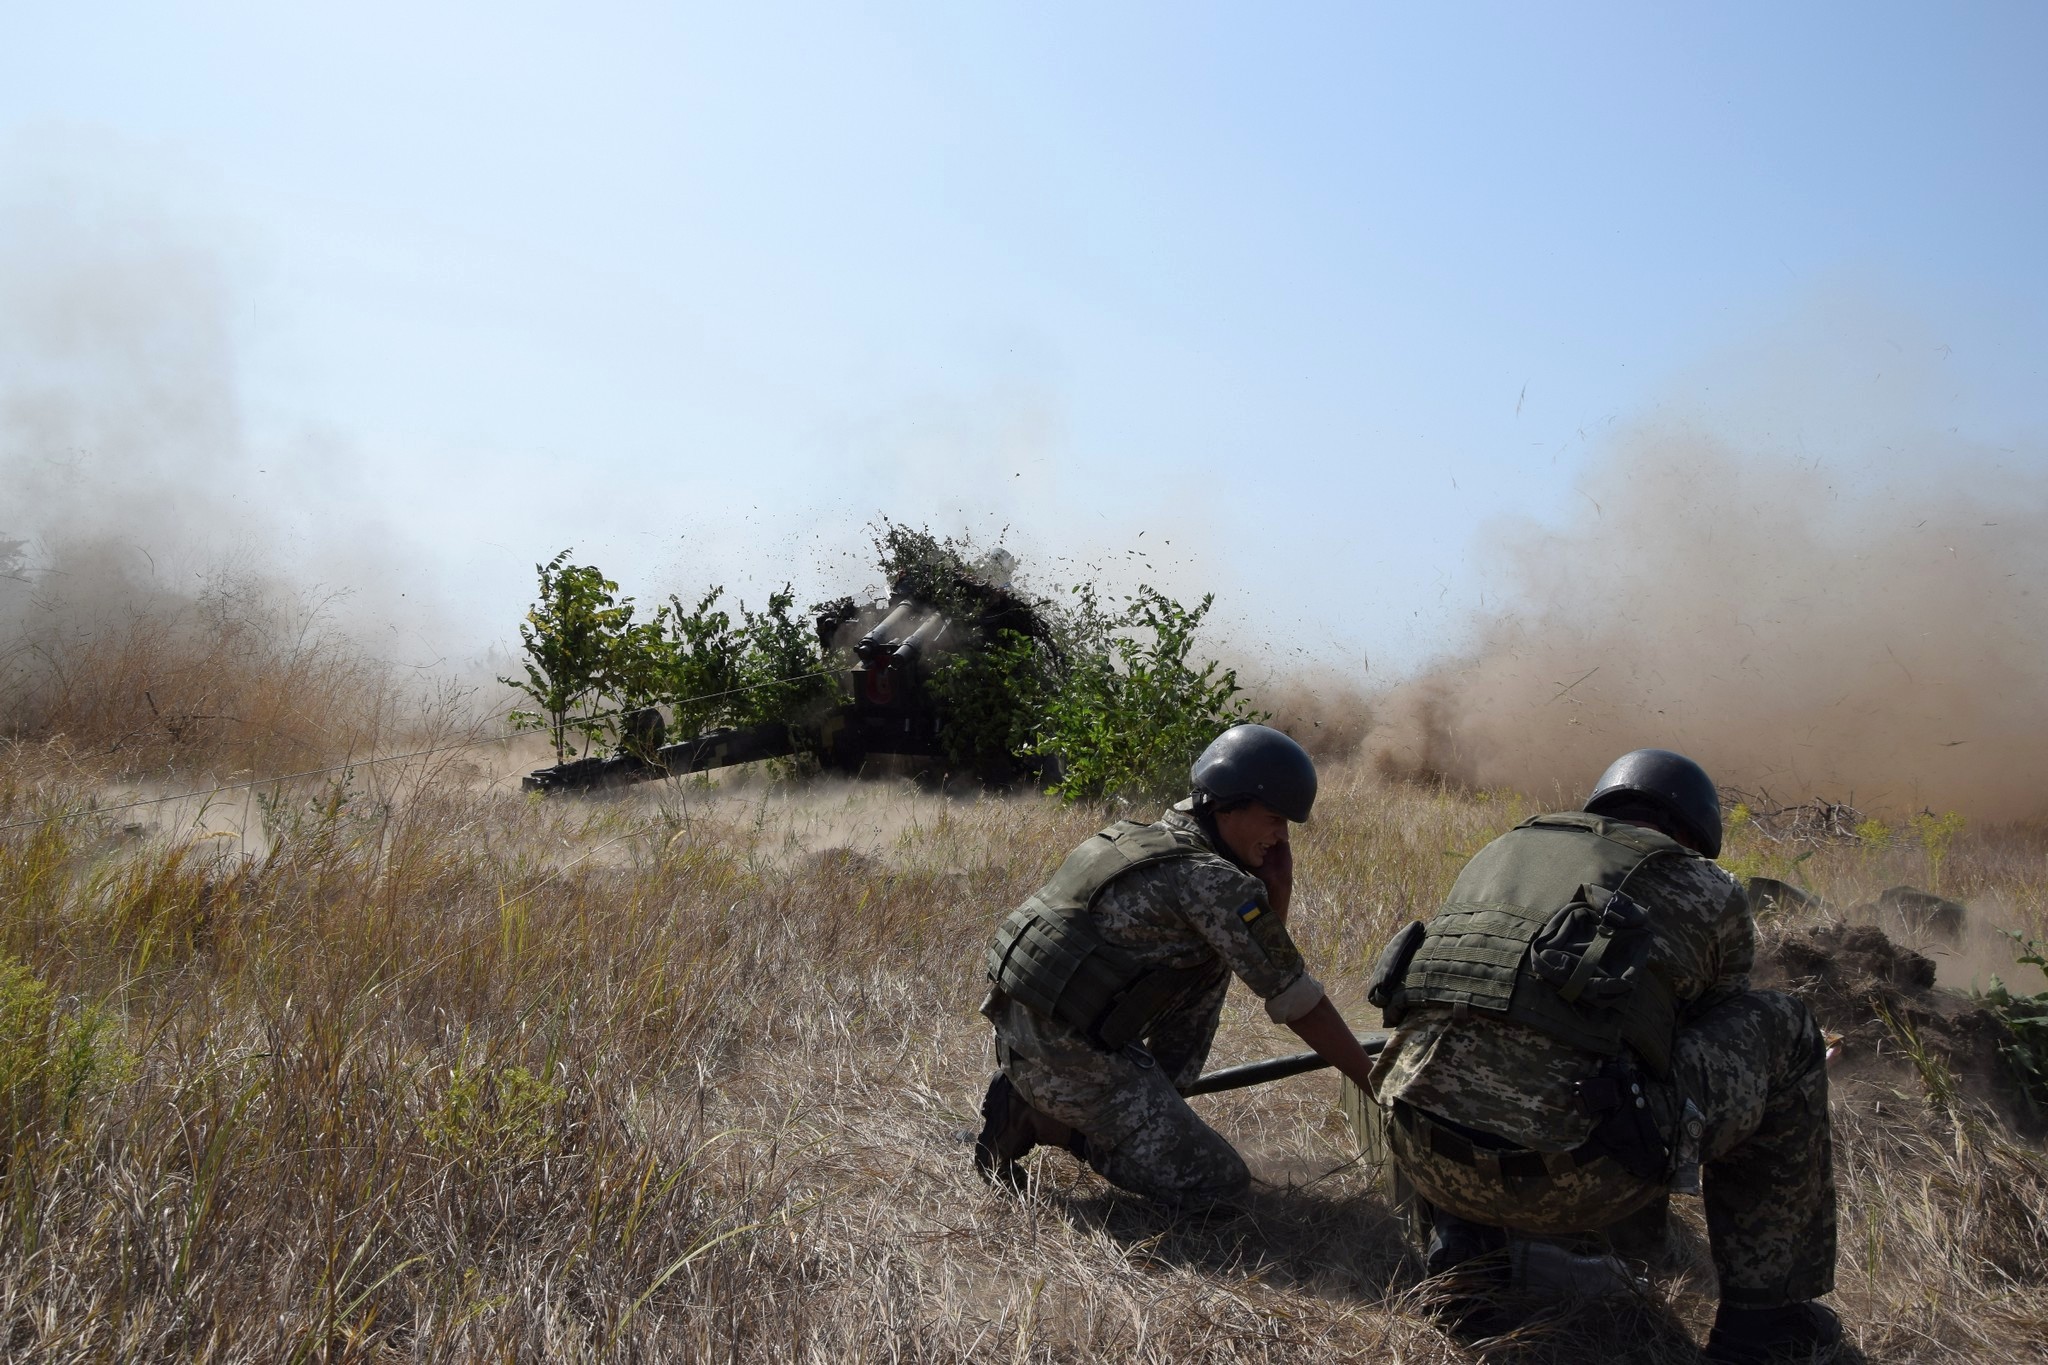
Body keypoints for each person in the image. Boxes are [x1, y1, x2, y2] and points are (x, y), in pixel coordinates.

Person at [1367, 748, 1840, 1363]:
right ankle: (1763, 1327)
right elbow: (1704, 1031)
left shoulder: (1500, 852)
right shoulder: (1708, 887)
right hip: (1579, 1178)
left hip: (1420, 1150)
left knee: (1465, 1042)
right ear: (1690, 833)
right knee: (1786, 1028)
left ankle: (1466, 1266)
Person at [973, 723, 1382, 1206]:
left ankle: (1100, 1104)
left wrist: (1277, 889)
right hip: (1064, 1055)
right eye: (1273, 818)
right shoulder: (1209, 881)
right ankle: (1045, 1121)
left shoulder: (1150, 839)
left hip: (1027, 1034)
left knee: (1212, 961)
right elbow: (1296, 999)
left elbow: (1261, 958)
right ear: (1230, 806)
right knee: (1221, 1187)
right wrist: (1377, 1086)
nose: (1280, 835)